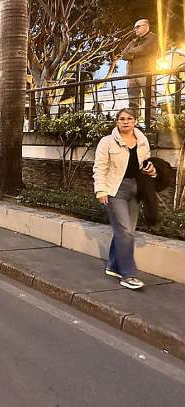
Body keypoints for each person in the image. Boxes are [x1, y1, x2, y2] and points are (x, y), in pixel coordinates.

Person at [93, 108, 156, 290]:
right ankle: (128, 274)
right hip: (115, 190)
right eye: (122, 118)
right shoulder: (107, 142)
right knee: (125, 231)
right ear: (117, 122)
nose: (125, 121)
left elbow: (146, 163)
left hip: (136, 191)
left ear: (135, 121)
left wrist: (151, 170)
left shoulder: (142, 141)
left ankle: (113, 266)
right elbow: (100, 167)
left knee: (127, 231)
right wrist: (101, 190)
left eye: (129, 118)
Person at [121, 19, 159, 120]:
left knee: (149, 100)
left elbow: (143, 49)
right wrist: (134, 53)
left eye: (138, 27)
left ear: (146, 26)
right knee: (132, 102)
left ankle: (151, 123)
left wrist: (131, 53)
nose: (135, 29)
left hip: (147, 73)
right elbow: (123, 55)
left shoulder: (153, 38)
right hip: (132, 75)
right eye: (134, 27)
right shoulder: (134, 41)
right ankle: (134, 123)